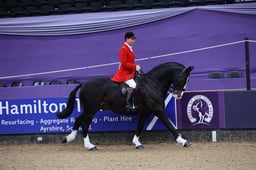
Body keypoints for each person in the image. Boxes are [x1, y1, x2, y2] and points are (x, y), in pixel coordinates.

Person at [111, 31, 141, 111]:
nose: (134, 41)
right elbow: (124, 64)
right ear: (127, 39)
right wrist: (135, 66)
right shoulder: (123, 49)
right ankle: (128, 104)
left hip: (131, 72)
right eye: (132, 39)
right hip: (125, 73)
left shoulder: (130, 49)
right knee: (133, 84)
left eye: (134, 39)